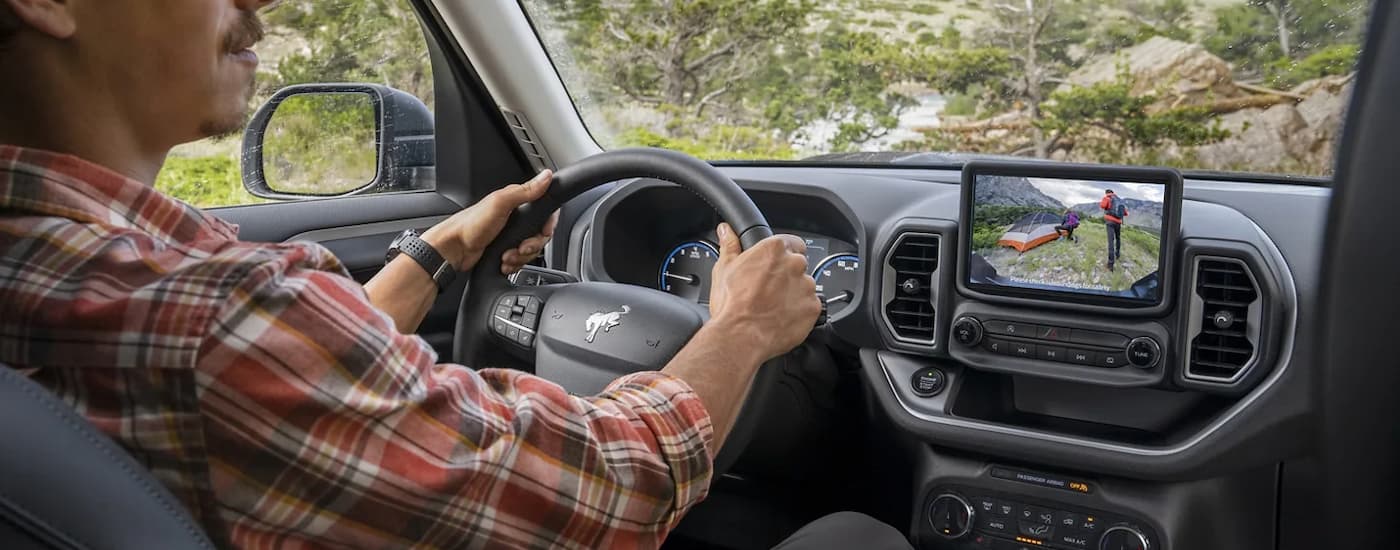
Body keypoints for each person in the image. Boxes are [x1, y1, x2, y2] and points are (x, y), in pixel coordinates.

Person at [0, 1, 910, 549]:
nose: (258, 2)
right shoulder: (212, 321)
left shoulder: (96, 275)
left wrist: (433, 257)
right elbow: (600, 496)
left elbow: (289, 388)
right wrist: (743, 330)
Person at [1099, 189, 1128, 271]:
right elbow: (1125, 213)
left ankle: (1110, 264)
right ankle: (1118, 254)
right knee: (1118, 238)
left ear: (1107, 193)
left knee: (1111, 241)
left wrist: (1105, 201)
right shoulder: (1120, 201)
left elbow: (1102, 206)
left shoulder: (1107, 198)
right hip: (1118, 223)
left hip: (1110, 222)